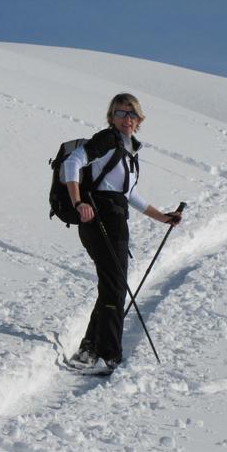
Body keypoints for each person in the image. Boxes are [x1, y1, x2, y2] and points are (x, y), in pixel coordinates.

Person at [63, 93, 182, 372]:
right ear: (110, 117)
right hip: (99, 217)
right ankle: (108, 355)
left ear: (139, 120)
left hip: (116, 219)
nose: (126, 119)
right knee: (115, 288)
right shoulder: (107, 139)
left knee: (111, 286)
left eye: (132, 114)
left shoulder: (127, 151)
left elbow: (129, 194)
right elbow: (73, 162)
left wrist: (163, 217)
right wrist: (78, 202)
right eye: (120, 113)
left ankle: (89, 349)